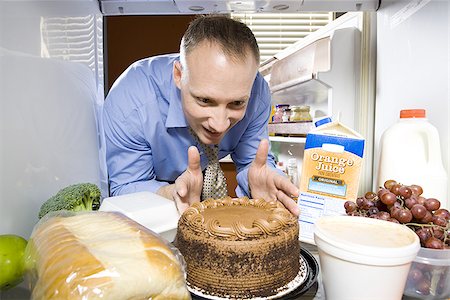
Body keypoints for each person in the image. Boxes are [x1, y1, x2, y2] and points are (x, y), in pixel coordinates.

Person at [103, 15, 299, 216]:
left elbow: (254, 162)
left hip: (199, 182)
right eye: (205, 100)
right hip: (154, 193)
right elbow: (126, 186)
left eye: (237, 103)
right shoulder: (132, 101)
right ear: (179, 76)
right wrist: (169, 193)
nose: (220, 124)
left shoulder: (257, 93)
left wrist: (258, 179)